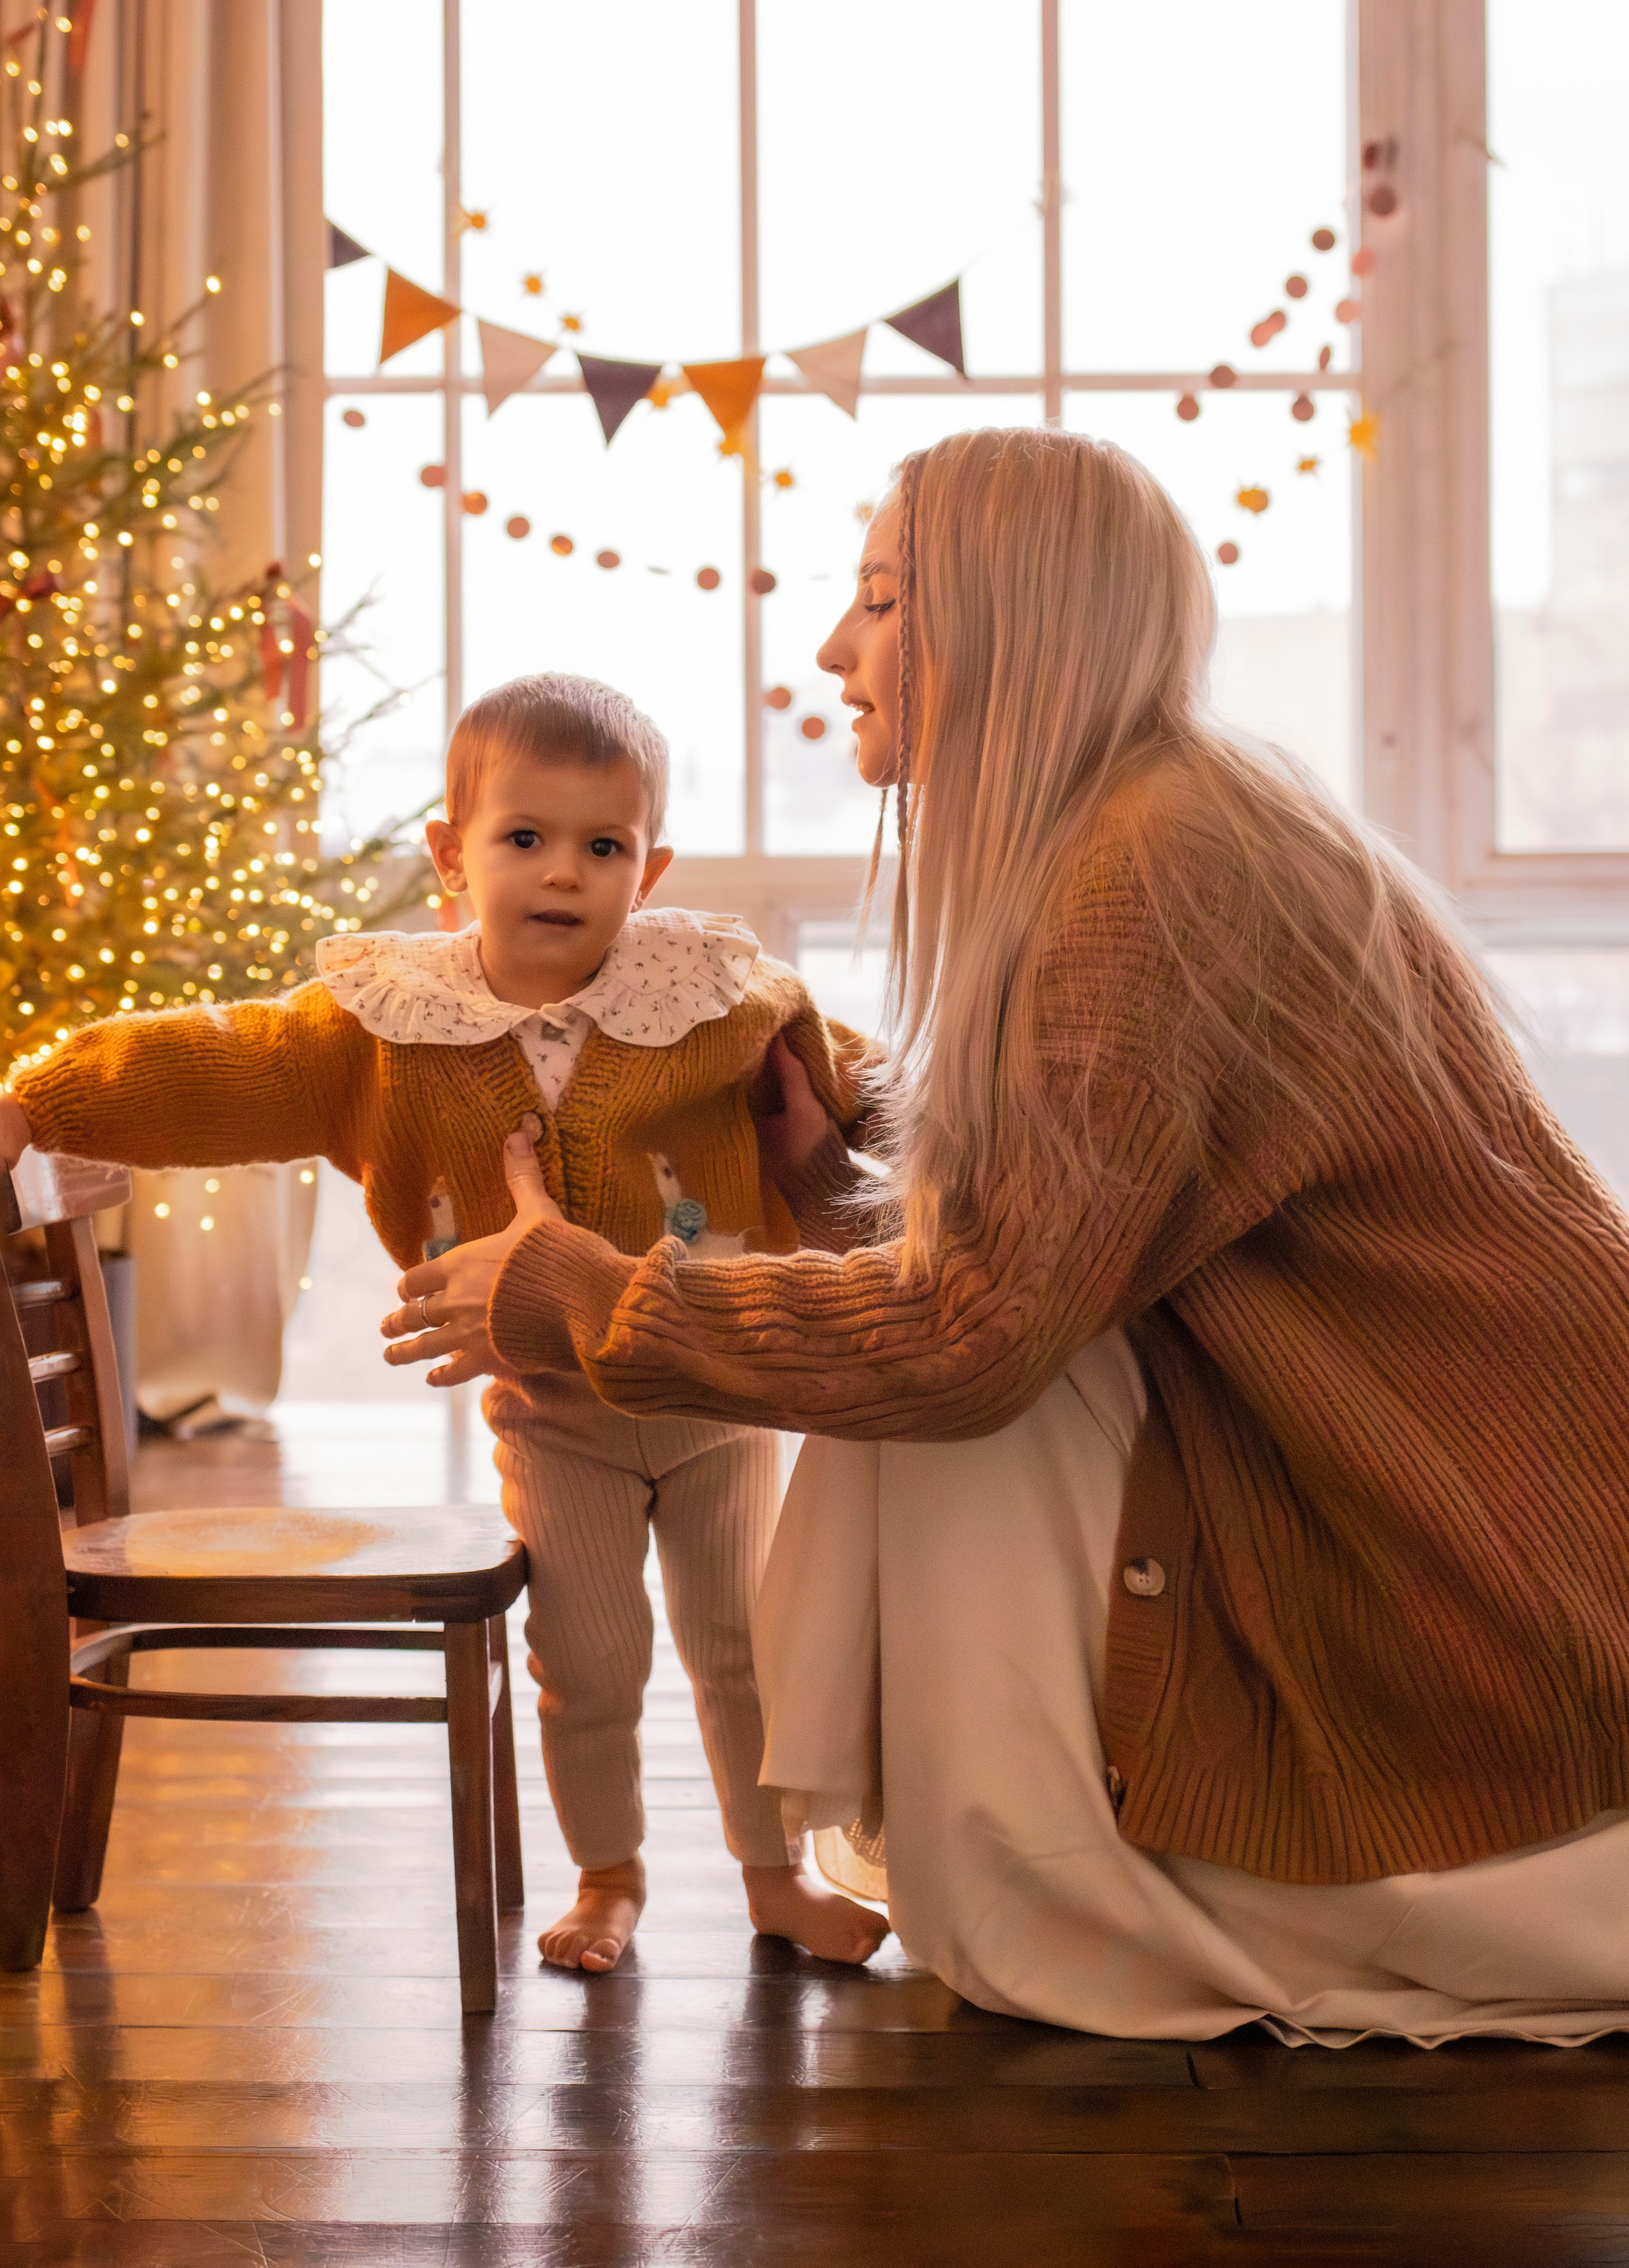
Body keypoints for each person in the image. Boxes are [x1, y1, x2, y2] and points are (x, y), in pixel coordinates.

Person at [383, 429, 1629, 2045]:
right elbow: (1076, 1235)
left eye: (878, 600)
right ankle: (1022, 1864)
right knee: (914, 1387)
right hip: (1439, 1468)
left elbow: (971, 1338)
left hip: (1465, 1536)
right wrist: (835, 1175)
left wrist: (580, 1290)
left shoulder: (1150, 871)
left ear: (1003, 617)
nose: (832, 651)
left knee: (942, 1426)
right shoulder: (1162, 819)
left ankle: (1058, 1888)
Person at [1, 673, 889, 1975]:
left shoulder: (720, 999)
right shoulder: (386, 1031)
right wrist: (43, 1098)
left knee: (747, 1652)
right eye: (525, 836)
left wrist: (951, 1136)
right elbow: (221, 1061)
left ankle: (774, 1876)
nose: (565, 871)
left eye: (604, 846)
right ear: (450, 853)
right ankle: (609, 1876)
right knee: (587, 1661)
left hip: (717, 1393)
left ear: (650, 871)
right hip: (556, 1415)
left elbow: (864, 1083)